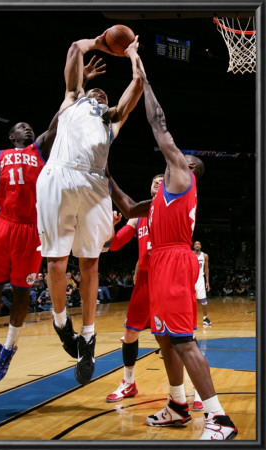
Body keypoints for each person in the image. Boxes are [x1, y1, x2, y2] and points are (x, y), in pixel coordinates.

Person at [0, 52, 105, 383]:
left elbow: (60, 118)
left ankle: (9, 350)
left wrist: (81, 81)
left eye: (29, 125)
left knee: (21, 293)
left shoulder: (40, 149)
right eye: (20, 126)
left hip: (33, 229)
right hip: (2, 226)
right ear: (11, 135)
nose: (26, 126)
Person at [107, 55, 237, 440]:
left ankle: (219, 419)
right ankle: (178, 404)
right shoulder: (161, 195)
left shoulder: (181, 173)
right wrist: (106, 173)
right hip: (159, 263)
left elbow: (159, 126)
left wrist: (142, 80)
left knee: (182, 338)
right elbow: (130, 208)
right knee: (163, 335)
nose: (173, 158)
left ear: (189, 168)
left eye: (182, 158)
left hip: (175, 259)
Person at [36, 29, 143, 385]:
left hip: (95, 181)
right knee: (55, 263)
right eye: (94, 89)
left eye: (104, 93)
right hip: (59, 175)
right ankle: (60, 319)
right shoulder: (71, 99)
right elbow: (73, 47)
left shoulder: (111, 120)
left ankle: (89, 335)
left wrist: (132, 55)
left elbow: (138, 84)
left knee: (91, 262)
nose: (99, 93)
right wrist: (100, 41)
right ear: (84, 90)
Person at [106, 174, 163, 402]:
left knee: (179, 337)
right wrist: (110, 228)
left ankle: (193, 389)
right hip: (145, 281)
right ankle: (128, 383)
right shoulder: (137, 216)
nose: (157, 182)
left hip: (167, 277)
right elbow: (115, 244)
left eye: (162, 180)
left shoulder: (172, 207)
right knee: (130, 333)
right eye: (154, 181)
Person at [193, 241, 211, 326]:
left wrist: (207, 282)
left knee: (203, 300)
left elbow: (206, 269)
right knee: (190, 300)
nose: (197, 245)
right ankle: (189, 319)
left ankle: (205, 318)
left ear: (201, 246)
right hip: (191, 279)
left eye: (198, 244)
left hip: (200, 279)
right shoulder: (190, 254)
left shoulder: (205, 256)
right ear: (193, 246)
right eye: (196, 244)